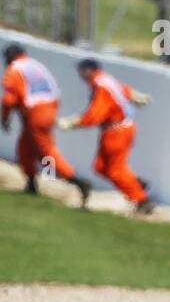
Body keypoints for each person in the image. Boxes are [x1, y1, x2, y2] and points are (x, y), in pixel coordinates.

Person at [57, 59, 155, 214]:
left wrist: (72, 122)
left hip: (117, 131)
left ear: (89, 70)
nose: (80, 75)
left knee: (115, 169)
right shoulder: (104, 79)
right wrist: (134, 95)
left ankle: (142, 200)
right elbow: (122, 89)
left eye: (81, 70)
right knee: (101, 167)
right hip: (116, 129)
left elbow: (95, 114)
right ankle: (135, 183)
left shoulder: (100, 85)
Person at [1, 45, 91, 204]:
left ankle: (78, 182)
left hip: (35, 112)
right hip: (49, 108)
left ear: (10, 57)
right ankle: (31, 183)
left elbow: (9, 99)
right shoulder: (35, 65)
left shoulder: (14, 70)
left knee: (45, 152)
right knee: (25, 148)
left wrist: (5, 118)